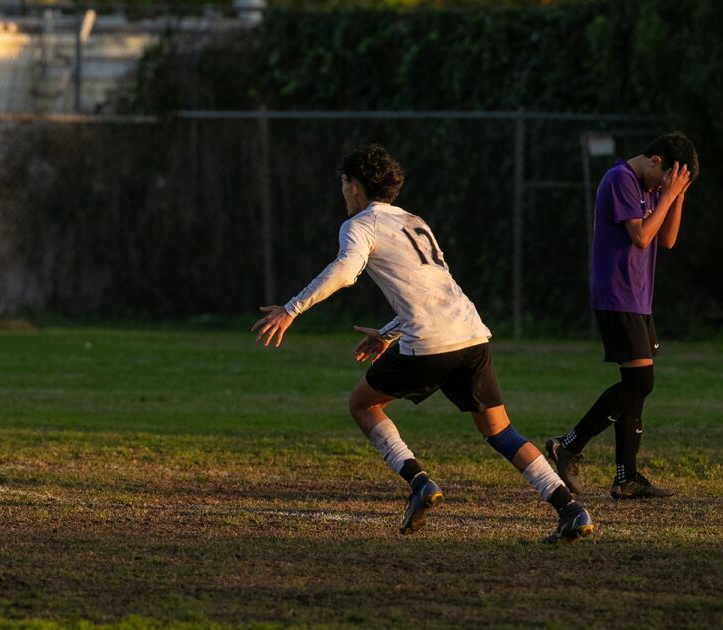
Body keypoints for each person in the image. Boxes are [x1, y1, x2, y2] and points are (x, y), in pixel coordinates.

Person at [252, 144, 593, 543]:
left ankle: (419, 483)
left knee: (362, 404)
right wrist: (388, 333)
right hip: (470, 333)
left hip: (431, 341)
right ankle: (570, 509)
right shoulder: (413, 221)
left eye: (343, 184)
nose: (342, 192)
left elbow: (345, 272)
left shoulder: (360, 225)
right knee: (500, 431)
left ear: (355, 186)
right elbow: (433, 290)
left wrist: (292, 309)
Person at [546, 133, 696, 500]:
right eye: (667, 179)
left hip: (639, 298)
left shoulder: (652, 187)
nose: (665, 188)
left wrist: (676, 196)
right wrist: (668, 195)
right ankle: (568, 444)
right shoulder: (621, 180)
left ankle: (625, 477)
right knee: (640, 382)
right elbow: (642, 236)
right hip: (617, 294)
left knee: (637, 388)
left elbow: (668, 240)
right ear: (657, 161)